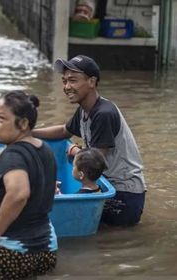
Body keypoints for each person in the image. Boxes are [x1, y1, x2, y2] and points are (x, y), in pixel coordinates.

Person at [32, 55, 147, 226]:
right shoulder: (85, 109)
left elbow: (94, 162)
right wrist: (29, 132)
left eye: (73, 80)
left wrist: (75, 151)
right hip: (106, 186)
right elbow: (64, 131)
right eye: (64, 81)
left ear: (92, 82)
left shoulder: (103, 114)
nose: (67, 87)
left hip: (123, 193)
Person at [0, 91, 57, 279]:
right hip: (45, 247)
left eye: (1, 118)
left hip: (5, 251)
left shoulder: (13, 156)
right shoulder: (44, 149)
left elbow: (19, 194)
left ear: (23, 124)